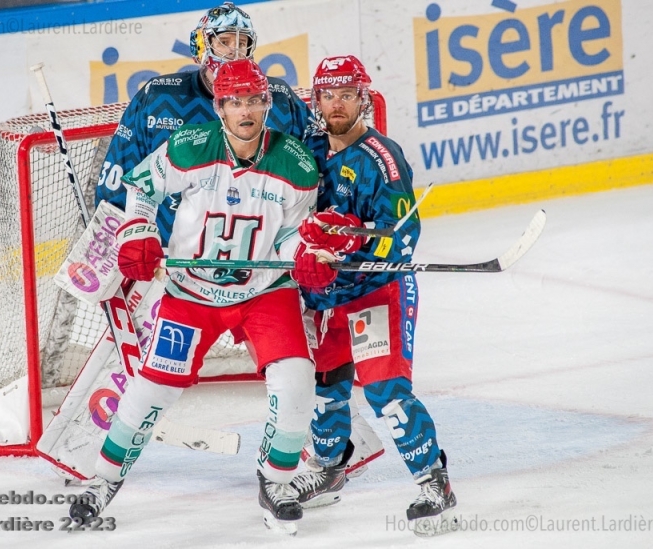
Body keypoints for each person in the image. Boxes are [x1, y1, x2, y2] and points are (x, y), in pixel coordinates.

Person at [70, 59, 327, 536]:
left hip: (264, 292)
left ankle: (276, 481)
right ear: (219, 106)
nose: (244, 110)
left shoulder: (296, 162)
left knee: (296, 379)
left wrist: (305, 255)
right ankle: (101, 480)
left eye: (253, 100)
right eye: (233, 101)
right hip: (190, 293)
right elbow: (140, 186)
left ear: (267, 103)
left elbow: (290, 232)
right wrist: (137, 232)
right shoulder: (190, 146)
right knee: (153, 387)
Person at [288, 55, 458, 537]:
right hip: (326, 296)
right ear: (316, 99)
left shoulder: (382, 158)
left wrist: (352, 244)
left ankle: (433, 483)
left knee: (385, 392)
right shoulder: (309, 149)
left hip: (376, 291)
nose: (335, 103)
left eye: (345, 94)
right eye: (327, 94)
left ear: (362, 98)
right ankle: (327, 468)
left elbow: (402, 236)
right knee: (326, 387)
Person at [95, 1, 313, 244]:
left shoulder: (279, 98)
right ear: (201, 45)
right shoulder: (159, 97)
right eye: (225, 42)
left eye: (242, 43)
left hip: (256, 257)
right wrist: (120, 245)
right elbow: (118, 179)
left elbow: (316, 162)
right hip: (169, 258)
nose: (235, 52)